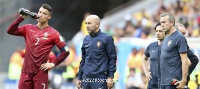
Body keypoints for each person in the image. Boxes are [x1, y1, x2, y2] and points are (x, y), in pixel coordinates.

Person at [7, 4, 70, 89]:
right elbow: (10, 31)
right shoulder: (28, 28)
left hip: (40, 74)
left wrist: (53, 64)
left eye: (44, 13)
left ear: (49, 17)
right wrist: (21, 18)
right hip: (25, 73)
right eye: (40, 12)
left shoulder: (54, 33)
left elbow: (66, 51)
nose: (40, 14)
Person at [76, 15, 117, 89]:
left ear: (97, 24)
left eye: (89, 23)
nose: (87, 26)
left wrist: (111, 77)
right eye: (86, 23)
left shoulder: (107, 38)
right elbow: (83, 59)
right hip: (86, 78)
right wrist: (79, 77)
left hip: (100, 78)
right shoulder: (86, 39)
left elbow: (112, 58)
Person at [159, 13, 190, 89]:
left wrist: (184, 80)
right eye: (161, 22)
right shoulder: (166, 38)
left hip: (173, 81)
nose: (162, 25)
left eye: (164, 22)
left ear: (172, 22)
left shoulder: (179, 37)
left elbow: (185, 60)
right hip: (163, 81)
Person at [142, 22, 165, 89]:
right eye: (156, 31)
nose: (158, 33)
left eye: (160, 31)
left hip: (165, 82)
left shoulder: (169, 46)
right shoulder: (151, 46)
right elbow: (143, 58)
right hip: (153, 82)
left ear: (165, 32)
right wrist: (146, 72)